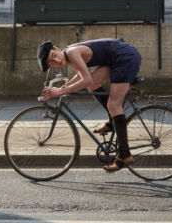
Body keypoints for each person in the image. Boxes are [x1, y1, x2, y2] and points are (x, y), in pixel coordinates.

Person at [37, 38, 142, 172]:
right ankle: (112, 121)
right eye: (52, 63)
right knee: (92, 84)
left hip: (124, 57)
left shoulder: (72, 52)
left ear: (57, 49)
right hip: (117, 57)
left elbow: (85, 79)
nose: (57, 61)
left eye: (54, 56)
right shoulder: (70, 57)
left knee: (114, 105)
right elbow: (84, 78)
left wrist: (60, 91)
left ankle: (124, 156)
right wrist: (64, 87)